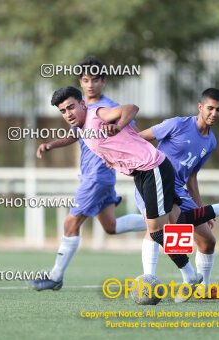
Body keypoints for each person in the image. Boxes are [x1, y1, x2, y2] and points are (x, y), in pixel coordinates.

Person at [47, 86, 219, 302]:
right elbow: (132, 139)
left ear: (83, 104)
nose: (68, 113)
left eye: (71, 107)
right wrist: (111, 156)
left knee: (160, 230)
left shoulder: (98, 115)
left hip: (154, 168)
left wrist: (118, 128)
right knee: (168, 227)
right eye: (63, 110)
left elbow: (131, 109)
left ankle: (187, 276)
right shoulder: (83, 129)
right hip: (146, 173)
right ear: (201, 107)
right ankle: (195, 268)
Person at [29, 57, 145, 291]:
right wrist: (51, 144)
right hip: (95, 177)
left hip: (97, 176)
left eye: (94, 80)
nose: (90, 84)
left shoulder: (107, 108)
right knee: (111, 227)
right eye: (85, 80)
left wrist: (122, 143)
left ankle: (55, 276)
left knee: (70, 223)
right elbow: (75, 135)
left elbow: (132, 129)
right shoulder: (80, 108)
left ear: (103, 81)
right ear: (80, 83)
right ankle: (163, 221)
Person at [137, 88, 219, 298]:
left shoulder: (211, 142)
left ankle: (202, 289)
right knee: (158, 230)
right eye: (210, 108)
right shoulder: (177, 124)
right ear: (200, 107)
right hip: (154, 182)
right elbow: (139, 139)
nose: (213, 113)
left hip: (179, 190)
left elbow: (191, 177)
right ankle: (148, 283)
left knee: (208, 241)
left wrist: (200, 210)